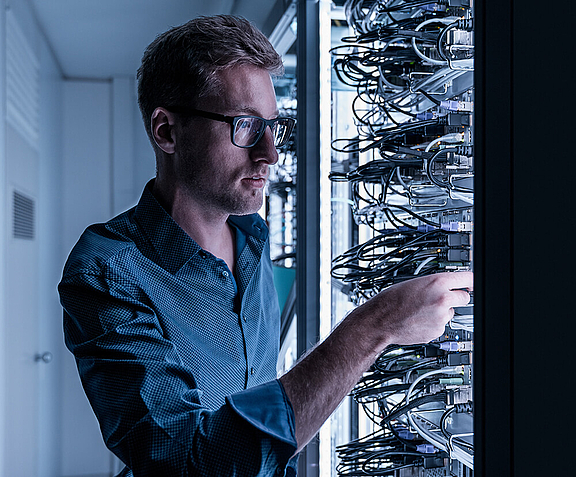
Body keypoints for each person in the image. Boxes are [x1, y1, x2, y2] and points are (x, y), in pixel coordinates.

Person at [58, 14, 473, 477]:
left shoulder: (253, 236)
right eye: (245, 126)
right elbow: (185, 464)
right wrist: (372, 327)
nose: (270, 154)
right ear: (166, 132)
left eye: (275, 128)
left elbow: (259, 410)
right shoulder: (109, 270)